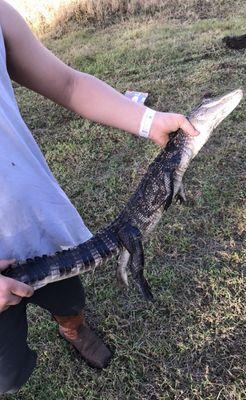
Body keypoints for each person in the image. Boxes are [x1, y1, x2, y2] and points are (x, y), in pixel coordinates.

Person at [0, 0, 199, 394]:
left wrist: (147, 120)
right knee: (7, 374)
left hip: (38, 222)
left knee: (69, 294)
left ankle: (72, 328)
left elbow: (67, 83)